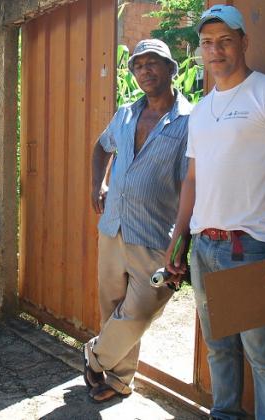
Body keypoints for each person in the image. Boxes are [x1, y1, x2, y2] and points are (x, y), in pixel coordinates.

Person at [165, 5, 265, 420]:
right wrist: (179, 239)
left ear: (244, 42)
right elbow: (192, 181)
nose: (215, 51)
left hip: (250, 248)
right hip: (205, 249)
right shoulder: (202, 109)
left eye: (225, 41)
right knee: (219, 349)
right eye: (207, 43)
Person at [85, 38, 192, 403]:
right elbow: (102, 147)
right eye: (138, 65)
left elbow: (192, 185)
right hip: (113, 228)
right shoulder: (126, 114)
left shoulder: (189, 121)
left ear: (170, 69)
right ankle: (118, 380)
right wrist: (98, 183)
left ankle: (95, 356)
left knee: (143, 305)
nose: (145, 70)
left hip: (153, 234)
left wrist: (181, 243)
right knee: (112, 307)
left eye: (153, 63)